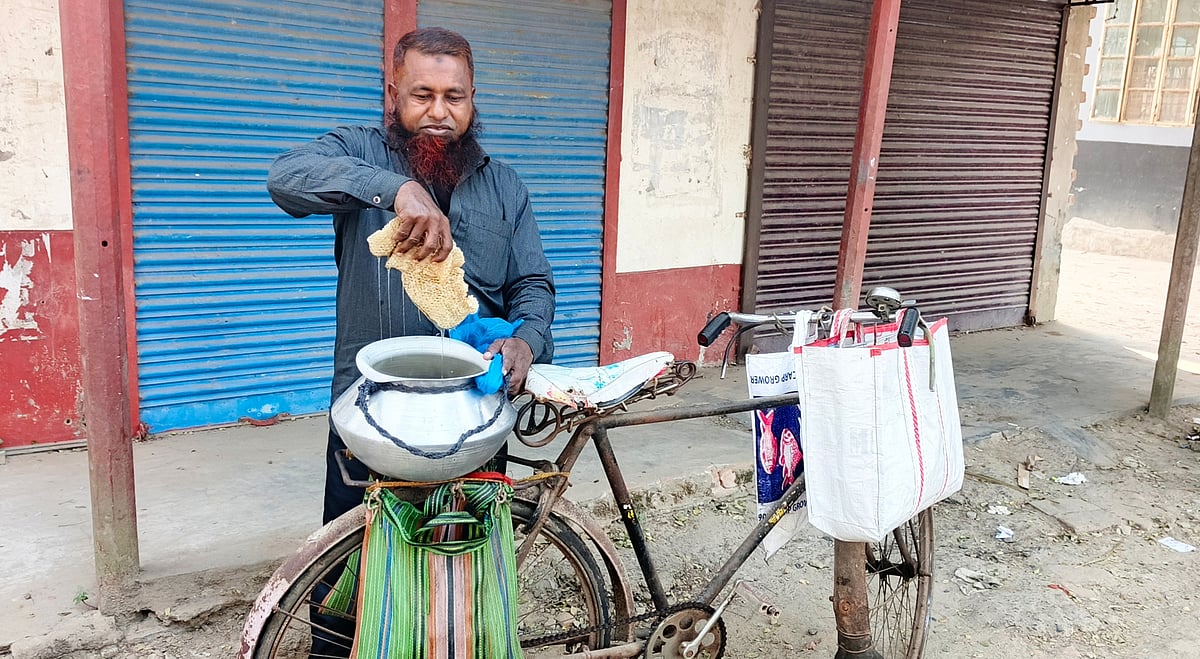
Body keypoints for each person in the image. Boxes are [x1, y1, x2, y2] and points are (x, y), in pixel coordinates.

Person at [266, 29, 555, 655]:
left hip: (474, 416)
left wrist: (526, 343)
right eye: (422, 94)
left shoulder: (504, 186)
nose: (438, 112)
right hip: (374, 416)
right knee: (350, 574)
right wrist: (395, 190)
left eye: (454, 96)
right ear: (393, 92)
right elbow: (285, 178)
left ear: (474, 100)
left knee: (461, 577)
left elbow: (534, 284)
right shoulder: (357, 153)